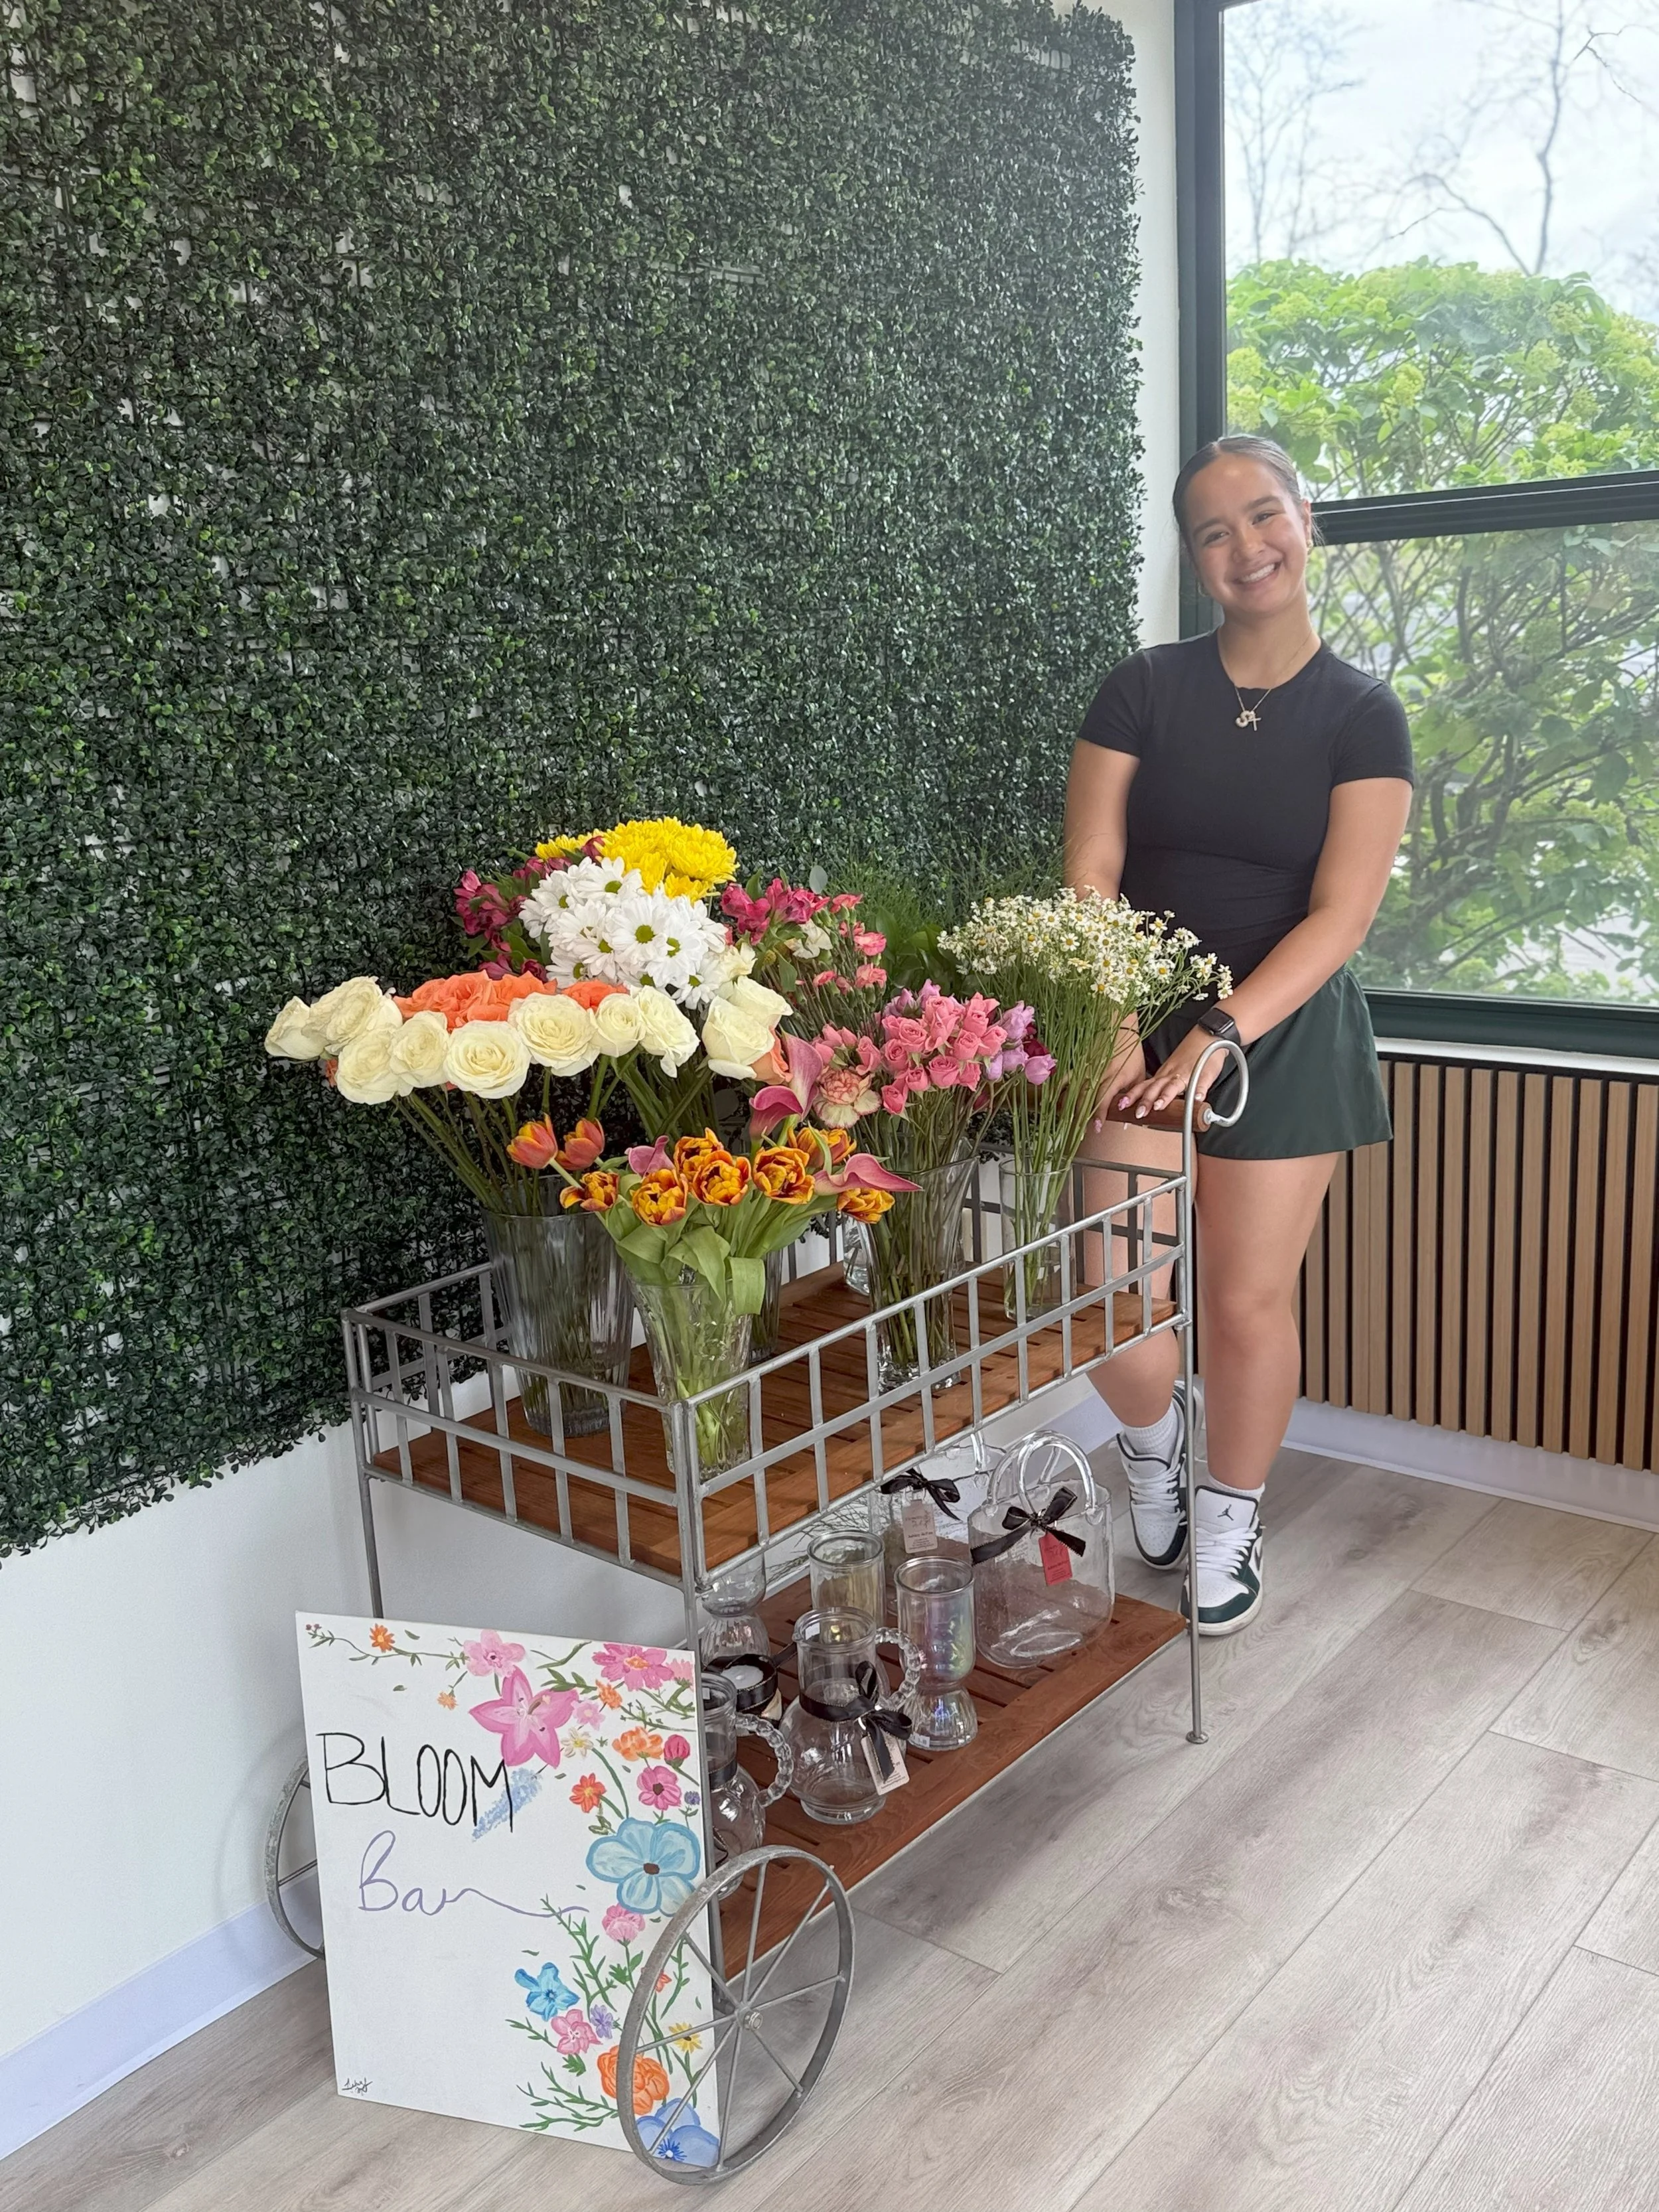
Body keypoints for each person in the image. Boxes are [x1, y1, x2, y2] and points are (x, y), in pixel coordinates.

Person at [1064, 435, 1413, 1635]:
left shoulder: (1363, 713)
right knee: (1113, 1295)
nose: (1246, 546)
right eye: (1214, 531)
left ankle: (1231, 1510)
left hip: (1285, 1024)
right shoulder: (1142, 687)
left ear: (1307, 522)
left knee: (1245, 1303)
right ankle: (1153, 1449)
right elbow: (1092, 866)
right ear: (1193, 556)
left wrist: (1222, 1030)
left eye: (1264, 516)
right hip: (1136, 1013)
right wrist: (1117, 1017)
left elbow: (1342, 916)